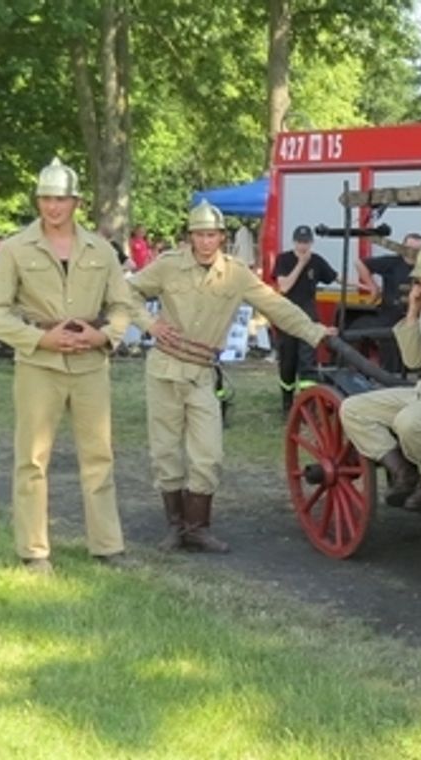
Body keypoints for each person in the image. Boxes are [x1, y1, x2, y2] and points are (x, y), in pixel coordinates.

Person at [128, 200, 335, 553]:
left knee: (208, 454)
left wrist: (315, 332)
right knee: (165, 452)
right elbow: (126, 291)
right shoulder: (168, 267)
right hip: (163, 369)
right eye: (199, 235)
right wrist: (149, 324)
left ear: (222, 237)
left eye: (212, 235)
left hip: (203, 373)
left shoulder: (236, 273)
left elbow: (277, 306)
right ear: (189, 237)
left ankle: (198, 527)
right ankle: (176, 527)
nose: (205, 242)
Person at [0, 157, 134, 573]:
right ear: (37, 200)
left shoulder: (101, 249)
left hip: (90, 364)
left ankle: (106, 545)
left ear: (77, 202)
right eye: (46, 198)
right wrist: (38, 338)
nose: (53, 207)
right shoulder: (14, 249)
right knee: (32, 458)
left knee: (99, 455)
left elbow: (123, 304)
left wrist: (103, 335)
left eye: (61, 199)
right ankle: (34, 551)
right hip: (38, 365)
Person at [340, 241, 421, 512]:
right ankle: (403, 471)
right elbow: (414, 360)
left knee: (409, 422)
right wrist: (413, 313)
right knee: (354, 409)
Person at [273, 224, 337, 413]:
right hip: (287, 318)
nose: (303, 246)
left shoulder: (316, 261)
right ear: (294, 242)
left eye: (307, 242)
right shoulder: (283, 260)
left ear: (311, 242)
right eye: (300, 242)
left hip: (309, 318)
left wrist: (365, 285)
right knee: (288, 363)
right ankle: (287, 405)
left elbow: (335, 277)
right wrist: (301, 264)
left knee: (307, 363)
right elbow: (284, 287)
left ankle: (308, 407)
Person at [354, 233, 421, 372]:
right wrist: (373, 287)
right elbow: (359, 263)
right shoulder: (392, 263)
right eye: (409, 248)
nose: (412, 253)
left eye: (417, 249)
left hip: (415, 318)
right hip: (390, 316)